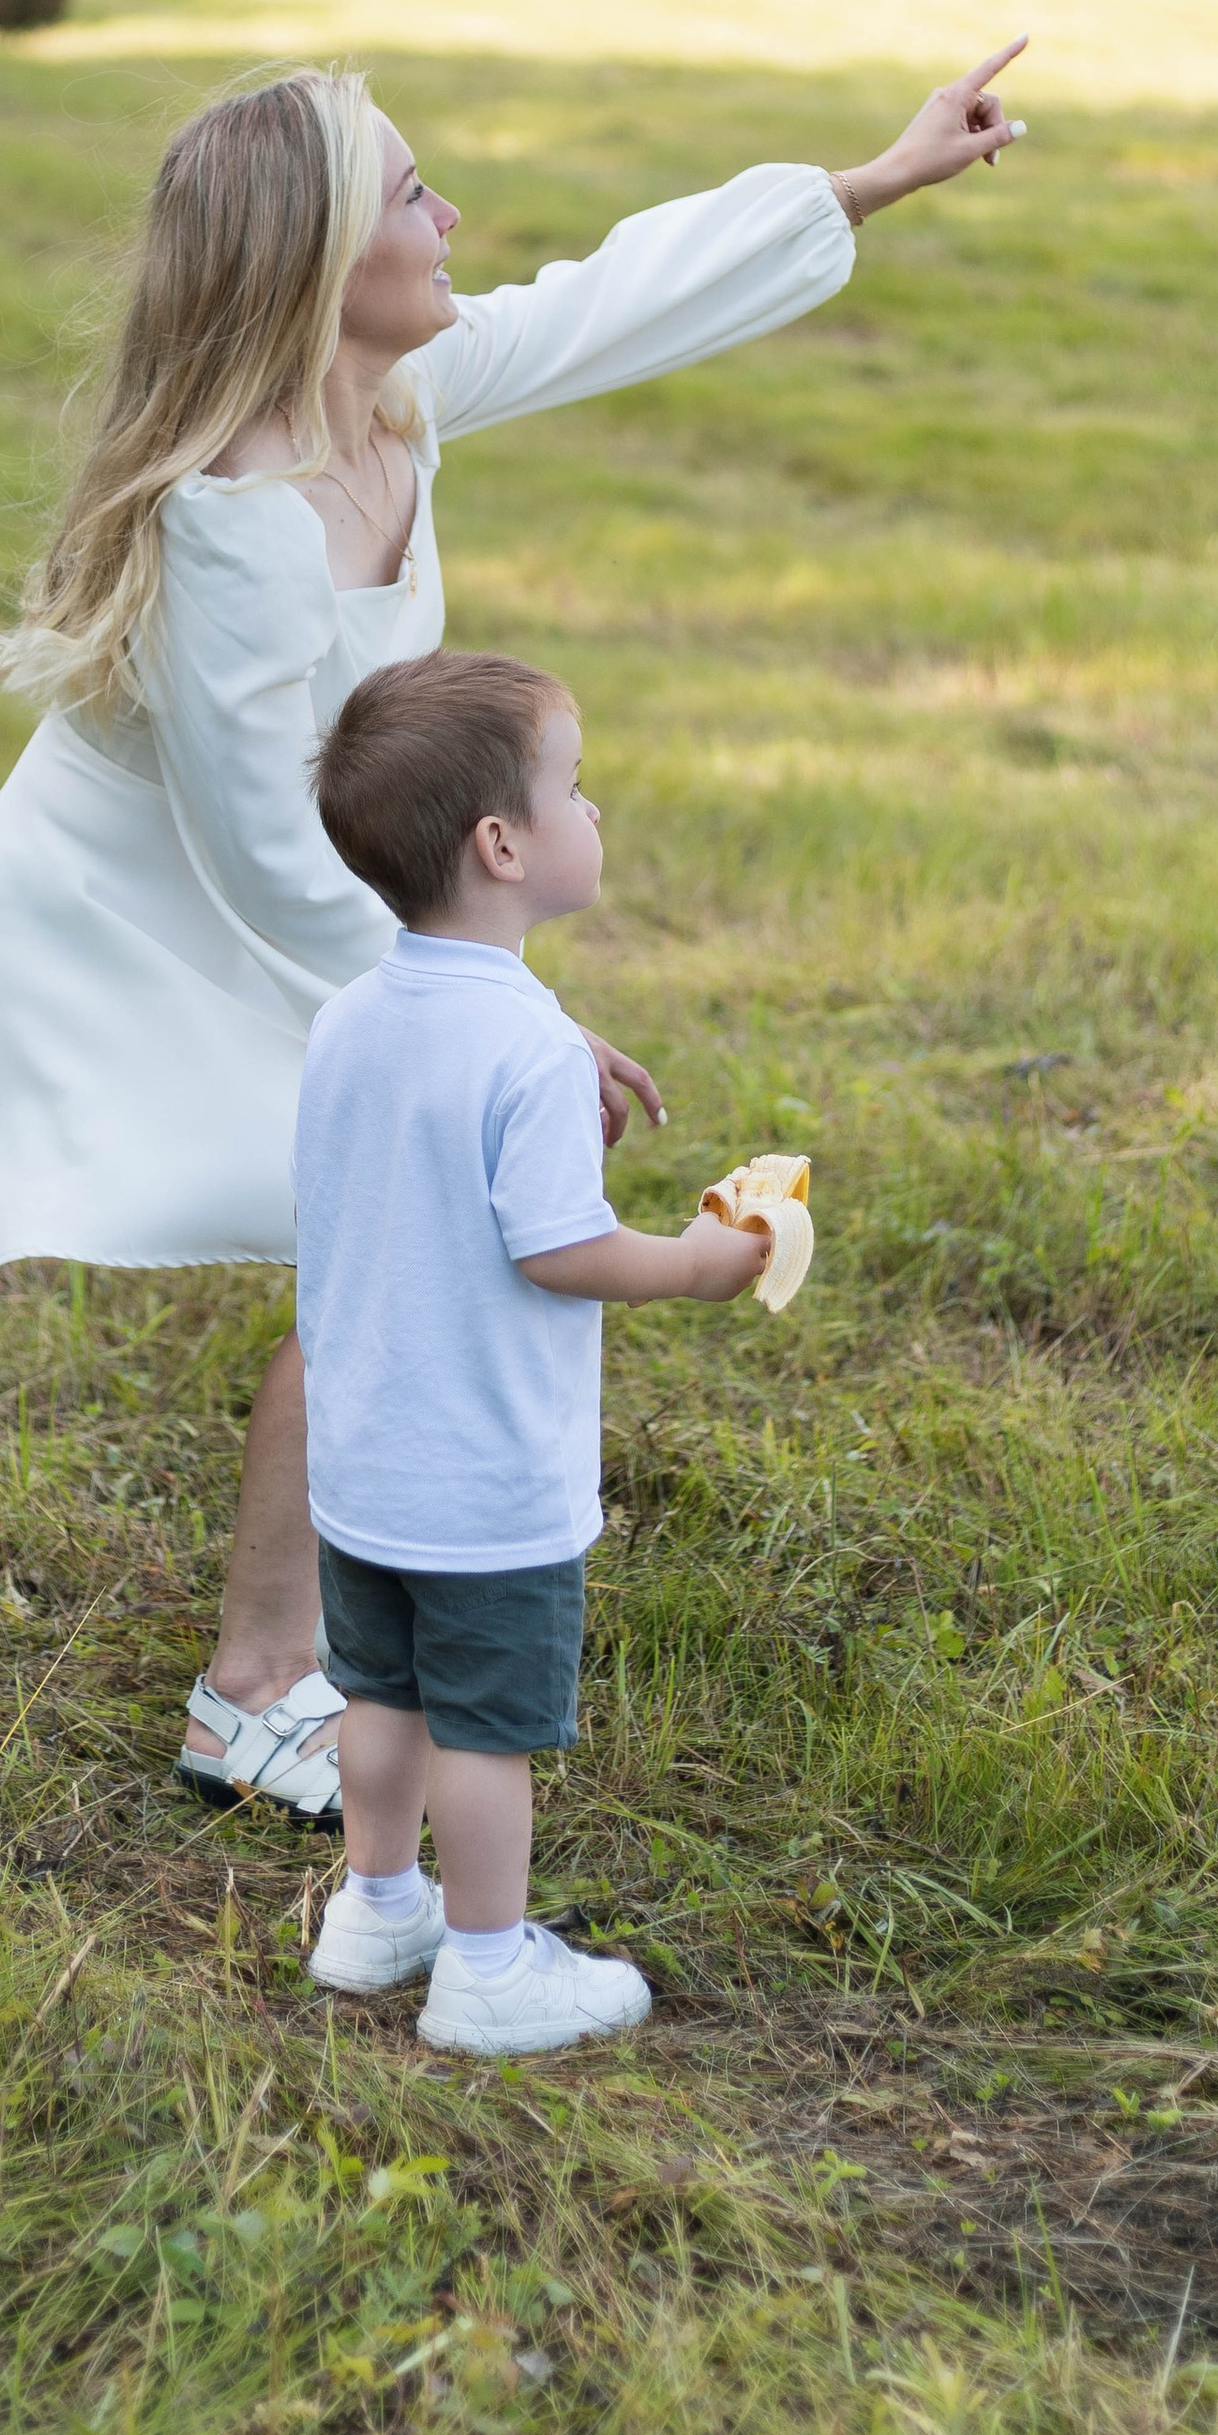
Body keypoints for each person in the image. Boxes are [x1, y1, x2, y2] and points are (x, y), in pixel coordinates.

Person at [0, 44, 1027, 1819]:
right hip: (142, 927)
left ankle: (333, 1638)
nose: (453, 217)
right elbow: (260, 853)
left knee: (387, 1240)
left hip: (316, 898)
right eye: (413, 192)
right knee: (393, 1231)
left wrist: (870, 180)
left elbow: (604, 302)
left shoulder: (396, 400)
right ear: (313, 260)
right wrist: (498, 1019)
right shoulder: (233, 520)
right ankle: (258, 1685)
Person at [298, 650, 772, 2053]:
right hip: (486, 1481)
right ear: (504, 846)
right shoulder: (529, 1055)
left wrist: (560, 1041)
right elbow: (560, 1249)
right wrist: (696, 1264)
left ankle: (375, 1909)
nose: (596, 807)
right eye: (577, 785)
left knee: (380, 1697)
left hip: (366, 1463)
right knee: (484, 1732)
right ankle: (489, 1970)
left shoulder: (350, 1017)